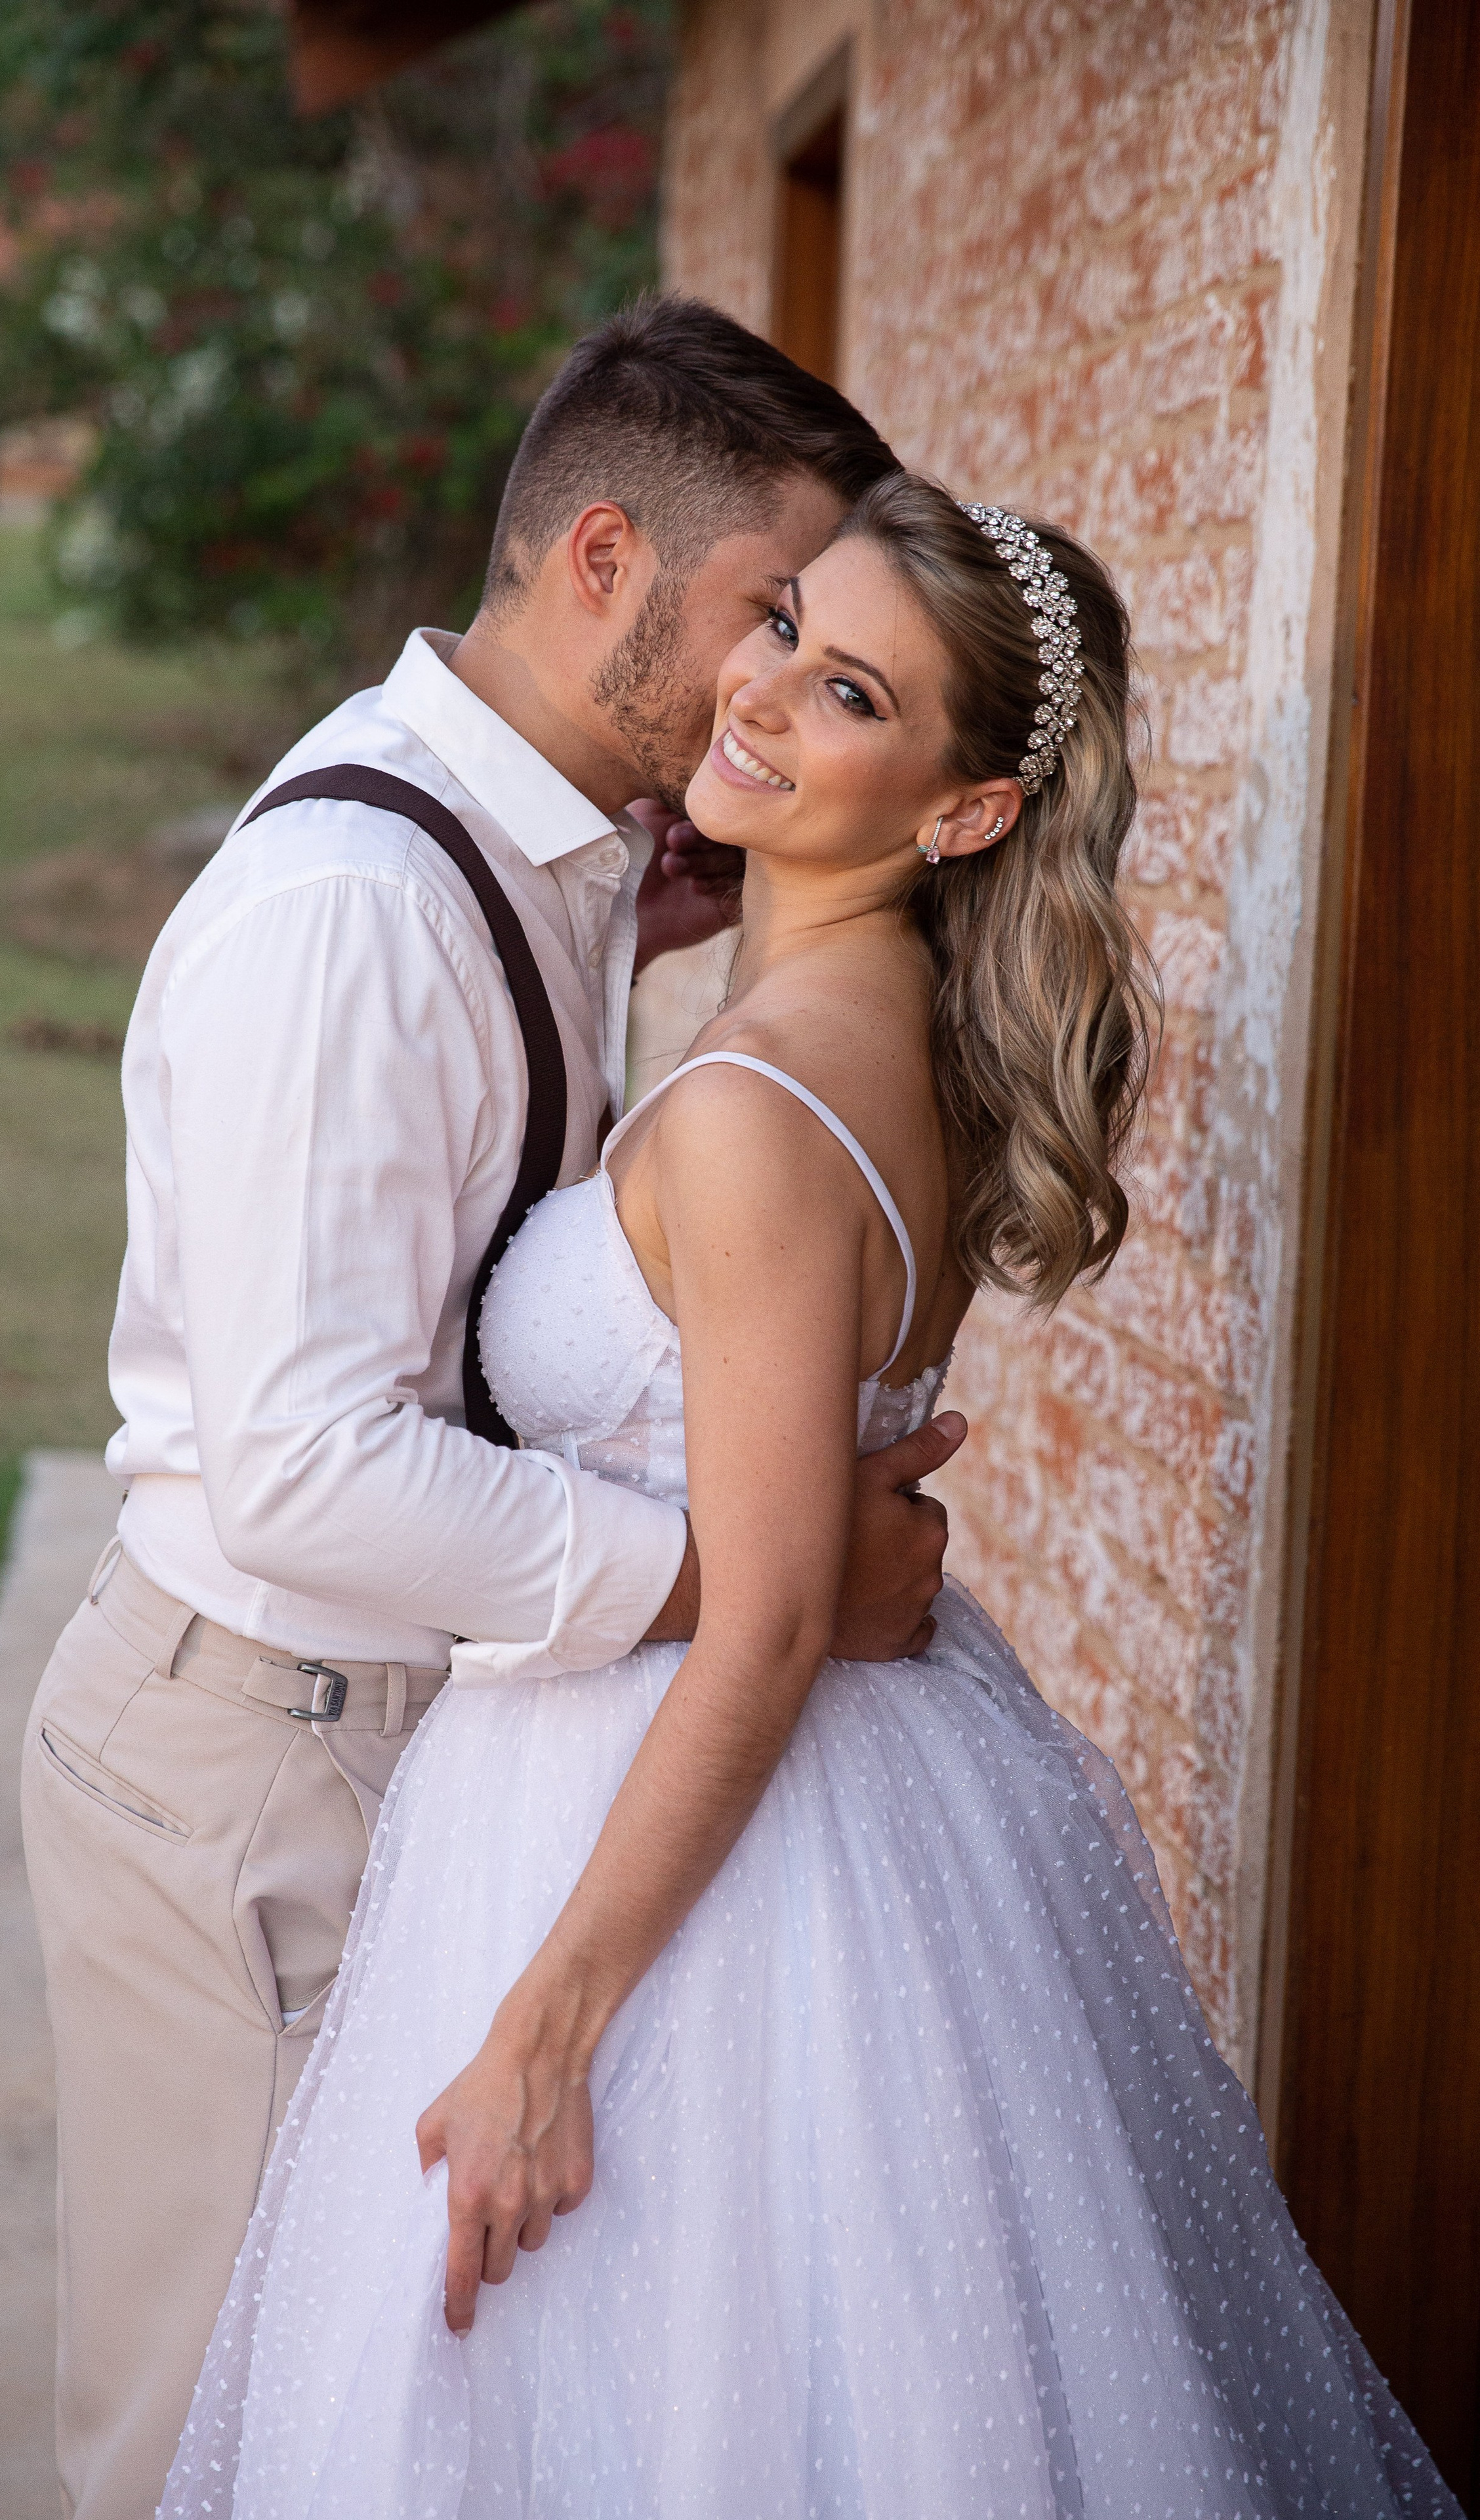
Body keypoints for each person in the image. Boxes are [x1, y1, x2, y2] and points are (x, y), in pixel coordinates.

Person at [163, 476, 1459, 2519]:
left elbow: (769, 1618)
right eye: (785, 628)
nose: (760, 695)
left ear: (960, 811)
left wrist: (542, 2034)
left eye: (849, 690)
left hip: (680, 1855)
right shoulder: (885, 1041)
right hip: (818, 1797)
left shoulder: (766, 1107)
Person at [20, 298, 970, 2520]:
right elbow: (304, 1461)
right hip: (252, 1755)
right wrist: (759, 1580)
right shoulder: (357, 907)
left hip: (409, 1737)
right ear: (607, 557)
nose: (763, 682)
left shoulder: (563, 856)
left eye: (822, 657)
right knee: (222, 2452)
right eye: (766, 617)